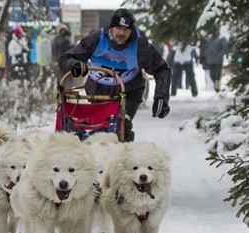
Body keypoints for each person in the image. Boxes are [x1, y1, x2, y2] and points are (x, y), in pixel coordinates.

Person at [59, 8, 171, 141]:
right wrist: (74, 65)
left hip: (128, 92)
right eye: (118, 28)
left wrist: (161, 97)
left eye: (126, 30)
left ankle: (122, 156)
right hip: (98, 90)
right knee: (98, 128)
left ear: (131, 30)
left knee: (122, 127)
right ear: (111, 27)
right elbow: (67, 58)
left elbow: (161, 69)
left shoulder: (140, 45)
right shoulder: (97, 38)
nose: (122, 33)